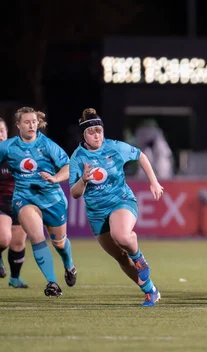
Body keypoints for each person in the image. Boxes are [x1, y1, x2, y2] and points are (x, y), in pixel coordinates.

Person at [69, 108, 163, 306]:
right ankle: (150, 290)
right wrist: (84, 180)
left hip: (121, 200)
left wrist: (153, 181)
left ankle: (139, 257)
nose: (96, 135)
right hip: (96, 213)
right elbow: (75, 193)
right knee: (120, 257)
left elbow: (141, 156)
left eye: (99, 130)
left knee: (121, 235)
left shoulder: (114, 147)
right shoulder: (78, 157)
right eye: (91, 131)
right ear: (84, 135)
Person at [0, 107, 76, 297]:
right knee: (36, 237)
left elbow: (68, 167)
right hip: (24, 198)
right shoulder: (7, 147)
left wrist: (55, 178)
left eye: (34, 121)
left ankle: (69, 265)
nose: (31, 125)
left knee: (59, 243)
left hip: (52, 199)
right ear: (17, 125)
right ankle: (52, 283)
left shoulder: (48, 145)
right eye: (27, 122)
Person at [0, 117, 28, 288]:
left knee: (18, 243)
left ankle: (15, 278)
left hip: (18, 202)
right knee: (3, 239)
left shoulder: (17, 152)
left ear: (7, 133)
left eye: (1, 131)